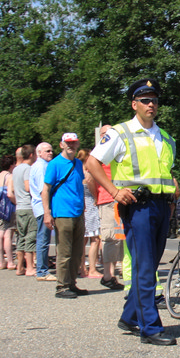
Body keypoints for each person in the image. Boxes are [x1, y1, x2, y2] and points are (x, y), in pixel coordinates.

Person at [87, 78, 179, 346]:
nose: (151, 105)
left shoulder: (166, 137)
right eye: (145, 100)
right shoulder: (120, 133)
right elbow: (92, 162)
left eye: (155, 100)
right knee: (144, 267)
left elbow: (166, 173)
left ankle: (129, 317)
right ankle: (150, 327)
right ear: (134, 104)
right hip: (137, 206)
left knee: (149, 263)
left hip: (161, 206)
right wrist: (114, 192)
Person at [44, 133, 88, 299]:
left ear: (77, 144)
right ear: (61, 144)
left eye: (73, 143)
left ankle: (71, 283)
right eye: (68, 143)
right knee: (64, 252)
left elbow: (79, 185)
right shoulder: (55, 164)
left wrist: (83, 205)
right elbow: (46, 189)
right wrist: (47, 213)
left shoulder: (77, 163)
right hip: (62, 212)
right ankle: (61, 286)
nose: (71, 146)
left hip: (77, 211)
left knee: (77, 252)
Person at [92, 125, 124, 291]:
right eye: (105, 133)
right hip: (107, 199)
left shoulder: (117, 149)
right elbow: (90, 177)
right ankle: (108, 275)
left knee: (121, 237)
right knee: (110, 237)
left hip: (120, 198)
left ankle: (119, 271)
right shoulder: (98, 154)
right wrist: (97, 196)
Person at [31, 143, 56, 281]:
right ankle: (42, 271)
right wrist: (47, 211)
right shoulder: (41, 167)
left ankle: (42, 269)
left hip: (42, 207)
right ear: (39, 153)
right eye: (47, 151)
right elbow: (44, 190)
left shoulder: (42, 165)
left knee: (44, 238)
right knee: (43, 239)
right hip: (43, 207)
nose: (50, 153)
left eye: (51, 150)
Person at [12, 145, 38, 276]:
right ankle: (30, 267)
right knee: (31, 236)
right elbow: (28, 187)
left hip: (19, 207)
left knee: (21, 237)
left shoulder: (16, 169)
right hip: (28, 206)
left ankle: (20, 267)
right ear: (32, 155)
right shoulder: (28, 168)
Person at [78, 148, 102, 279]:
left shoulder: (76, 172)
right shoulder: (88, 174)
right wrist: (96, 199)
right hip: (90, 205)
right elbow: (93, 189)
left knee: (82, 239)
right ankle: (92, 268)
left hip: (81, 206)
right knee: (95, 239)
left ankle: (81, 267)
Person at [0, 155, 17, 270]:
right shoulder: (10, 176)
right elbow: (10, 194)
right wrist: (16, 202)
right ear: (11, 165)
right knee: (8, 235)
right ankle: (10, 262)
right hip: (8, 208)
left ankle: (1, 262)